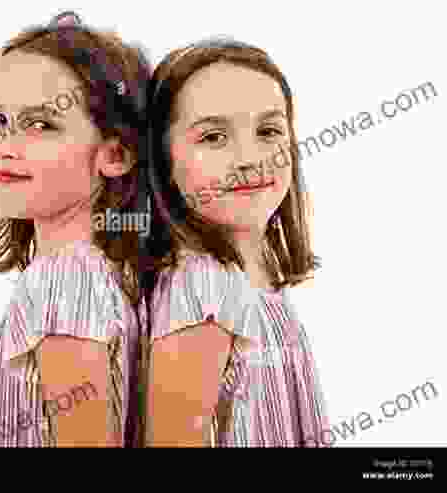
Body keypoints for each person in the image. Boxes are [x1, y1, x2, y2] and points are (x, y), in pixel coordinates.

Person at [141, 37, 330, 446]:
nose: (250, 158)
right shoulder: (203, 290)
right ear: (164, 159)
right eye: (213, 137)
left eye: (268, 130)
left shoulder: (252, 279)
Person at [0, 11, 151, 447]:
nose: (5, 148)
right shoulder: (105, 274)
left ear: (115, 155)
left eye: (40, 125)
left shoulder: (62, 280)